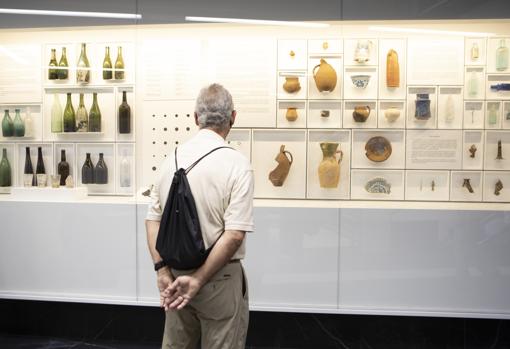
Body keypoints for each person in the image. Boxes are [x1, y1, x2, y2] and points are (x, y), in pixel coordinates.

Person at [145, 83, 254, 349]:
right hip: (220, 281)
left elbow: (153, 220)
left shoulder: (169, 160)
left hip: (174, 277)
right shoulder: (237, 164)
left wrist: (162, 271)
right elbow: (235, 234)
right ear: (233, 117)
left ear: (195, 117)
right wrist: (198, 280)